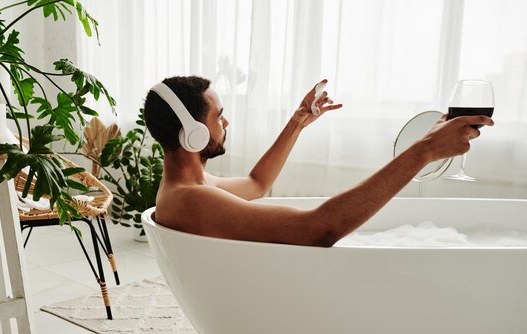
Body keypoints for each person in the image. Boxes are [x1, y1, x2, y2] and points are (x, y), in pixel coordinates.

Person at [143, 75, 493, 247]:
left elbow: (256, 185)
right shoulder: (190, 200)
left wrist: (297, 123)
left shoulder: (190, 188)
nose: (226, 122)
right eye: (219, 116)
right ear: (193, 134)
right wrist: (424, 151)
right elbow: (319, 229)